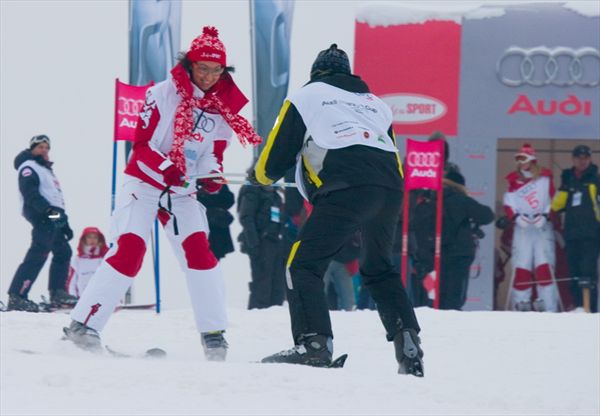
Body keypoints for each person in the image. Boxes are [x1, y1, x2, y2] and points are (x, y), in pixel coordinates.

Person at [63, 26, 261, 360]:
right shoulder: (161, 94)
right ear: (189, 65)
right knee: (130, 250)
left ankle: (214, 336)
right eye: (203, 69)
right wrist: (170, 169)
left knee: (200, 253)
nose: (210, 77)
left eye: (217, 71)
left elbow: (213, 154)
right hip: (144, 182)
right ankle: (83, 326)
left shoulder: (222, 108)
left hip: (181, 192)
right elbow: (140, 148)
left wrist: (211, 177)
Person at [250, 44, 424, 376]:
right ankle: (409, 346)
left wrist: (258, 176)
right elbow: (390, 152)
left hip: (345, 188)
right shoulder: (376, 104)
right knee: (379, 269)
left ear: (316, 73)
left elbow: (274, 159)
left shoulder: (307, 96)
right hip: (389, 188)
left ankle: (313, 344)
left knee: (302, 265)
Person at [8, 135, 77, 312]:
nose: (44, 150)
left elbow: (56, 198)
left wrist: (64, 223)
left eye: (47, 148)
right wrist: (48, 211)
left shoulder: (46, 170)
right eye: (40, 147)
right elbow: (30, 193)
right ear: (32, 149)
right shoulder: (28, 167)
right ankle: (17, 296)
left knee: (63, 251)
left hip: (52, 215)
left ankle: (57, 292)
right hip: (41, 213)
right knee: (40, 251)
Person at [503, 144, 559, 312]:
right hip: (523, 229)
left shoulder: (545, 177)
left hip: (541, 227)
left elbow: (554, 199)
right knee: (521, 266)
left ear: (531, 159)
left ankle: (548, 305)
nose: (521, 162)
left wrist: (546, 215)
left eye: (524, 159)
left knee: (544, 266)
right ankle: (521, 303)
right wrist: (516, 217)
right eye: (518, 159)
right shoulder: (513, 180)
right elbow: (508, 202)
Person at [552, 144, 600, 312]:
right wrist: (564, 187)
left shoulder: (596, 179)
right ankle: (579, 306)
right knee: (573, 272)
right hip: (572, 235)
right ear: (573, 159)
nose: (582, 161)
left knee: (588, 273)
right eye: (579, 158)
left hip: (591, 234)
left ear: (590, 159)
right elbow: (557, 206)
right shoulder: (568, 178)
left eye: (585, 158)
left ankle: (590, 309)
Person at [237, 179, 286, 309]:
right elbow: (246, 218)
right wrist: (254, 244)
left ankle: (275, 309)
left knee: (278, 279)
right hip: (261, 242)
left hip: (275, 241)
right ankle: (258, 311)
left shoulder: (276, 196)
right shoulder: (252, 193)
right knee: (262, 279)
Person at [66, 227, 108, 298]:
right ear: (84, 240)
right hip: (82, 301)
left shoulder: (105, 259)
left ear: (99, 239)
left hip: (102, 300)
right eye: (89, 237)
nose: (92, 240)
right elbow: (71, 283)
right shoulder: (77, 260)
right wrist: (73, 299)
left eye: (95, 237)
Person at [196, 184, 235, 261]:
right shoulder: (194, 180)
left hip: (218, 230)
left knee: (214, 260)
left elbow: (229, 200)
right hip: (201, 227)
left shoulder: (218, 180)